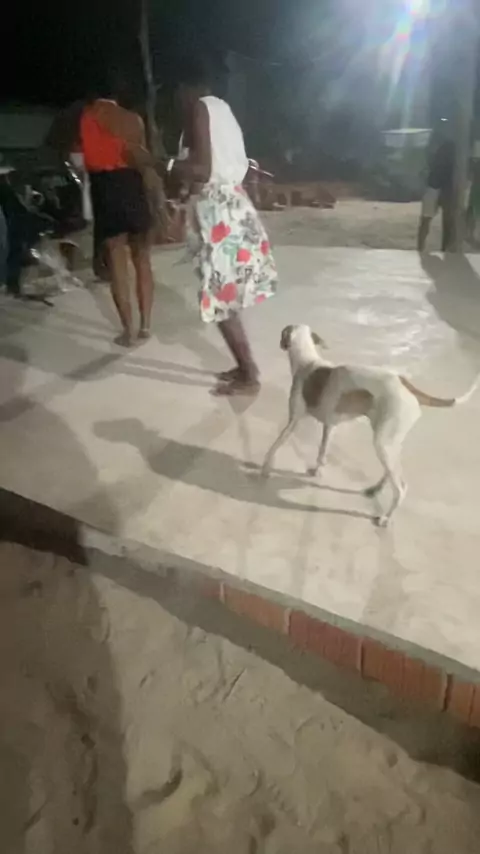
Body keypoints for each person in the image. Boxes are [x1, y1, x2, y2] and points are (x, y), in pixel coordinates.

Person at [172, 61, 277, 395]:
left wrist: (167, 165)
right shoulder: (222, 108)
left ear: (186, 88)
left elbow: (203, 169)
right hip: (229, 205)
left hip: (219, 213)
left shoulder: (202, 108)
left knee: (220, 297)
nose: (177, 100)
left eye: (177, 93)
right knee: (223, 296)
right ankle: (244, 366)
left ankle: (249, 374)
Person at [80, 91, 155, 345]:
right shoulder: (133, 119)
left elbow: (84, 159)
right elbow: (142, 158)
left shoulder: (89, 116)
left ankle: (128, 331)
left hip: (106, 187)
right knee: (142, 258)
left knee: (117, 261)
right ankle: (146, 325)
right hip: (133, 185)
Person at [417, 120, 455, 253]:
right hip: (435, 184)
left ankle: (443, 249)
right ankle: (421, 248)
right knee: (427, 219)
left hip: (444, 186)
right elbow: (428, 161)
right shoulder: (436, 144)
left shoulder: (452, 145)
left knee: (446, 221)